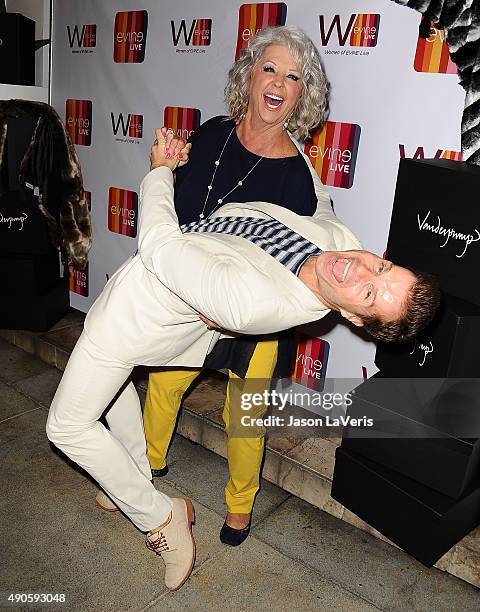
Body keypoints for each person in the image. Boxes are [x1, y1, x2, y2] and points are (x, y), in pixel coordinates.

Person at [47, 128, 439, 592]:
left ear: (353, 316)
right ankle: (133, 480)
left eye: (371, 292)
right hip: (135, 303)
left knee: (67, 427)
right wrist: (291, 134)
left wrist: (159, 170)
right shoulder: (338, 240)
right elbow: (321, 197)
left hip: (135, 315)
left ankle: (160, 518)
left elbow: (159, 248)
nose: (361, 269)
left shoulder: (254, 305)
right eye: (384, 267)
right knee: (111, 392)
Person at [142, 25, 334, 546]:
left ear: (302, 95)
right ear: (250, 76)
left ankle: (240, 507)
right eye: (269, 68)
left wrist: (229, 309)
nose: (278, 83)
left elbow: (282, 265)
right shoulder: (208, 133)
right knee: (163, 386)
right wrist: (164, 168)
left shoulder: (297, 177)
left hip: (251, 313)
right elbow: (177, 215)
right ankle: (143, 476)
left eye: (293, 77)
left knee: (244, 414)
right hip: (187, 293)